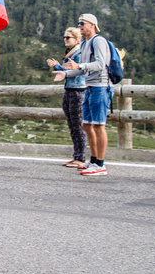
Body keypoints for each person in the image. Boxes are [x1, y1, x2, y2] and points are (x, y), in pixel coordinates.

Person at [53, 13, 112, 176]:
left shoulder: (98, 41)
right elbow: (82, 69)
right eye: (79, 23)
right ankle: (92, 160)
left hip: (100, 86)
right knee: (86, 125)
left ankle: (100, 164)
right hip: (88, 87)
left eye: (82, 23)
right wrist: (66, 73)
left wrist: (79, 66)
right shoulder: (85, 44)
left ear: (92, 25)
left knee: (99, 125)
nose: (79, 26)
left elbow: (100, 64)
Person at [47, 27, 86, 168]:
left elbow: (77, 71)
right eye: (64, 37)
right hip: (70, 89)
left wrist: (58, 67)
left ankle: (80, 157)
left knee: (77, 125)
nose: (65, 39)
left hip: (77, 90)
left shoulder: (79, 54)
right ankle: (77, 156)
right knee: (73, 125)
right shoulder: (71, 53)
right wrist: (57, 66)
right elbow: (66, 72)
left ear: (76, 39)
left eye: (68, 37)